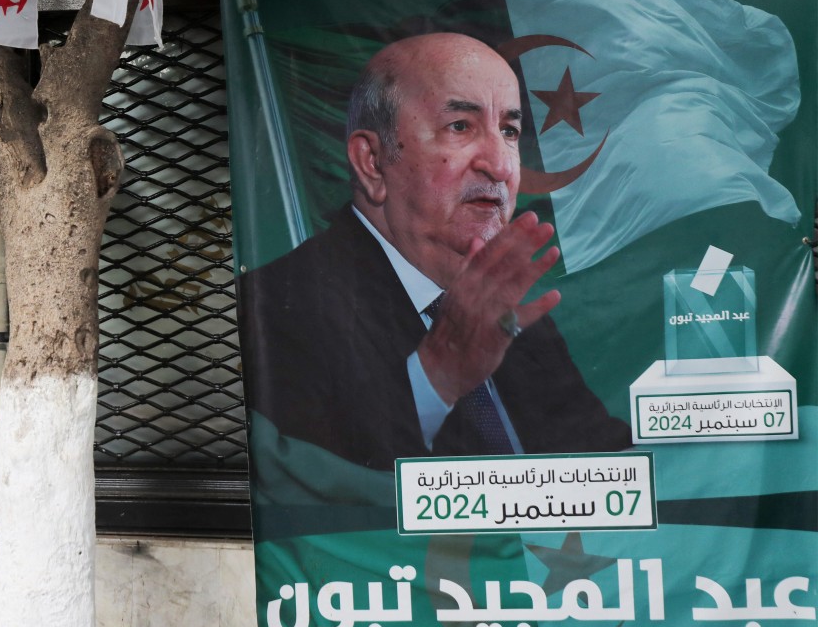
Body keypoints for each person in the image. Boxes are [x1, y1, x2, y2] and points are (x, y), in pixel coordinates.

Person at [237, 33, 630, 502]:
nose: (500, 165)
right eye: (461, 126)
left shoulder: (505, 308)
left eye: (508, 130)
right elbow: (320, 507)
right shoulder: (273, 310)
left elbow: (603, 465)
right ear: (372, 162)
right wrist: (436, 374)